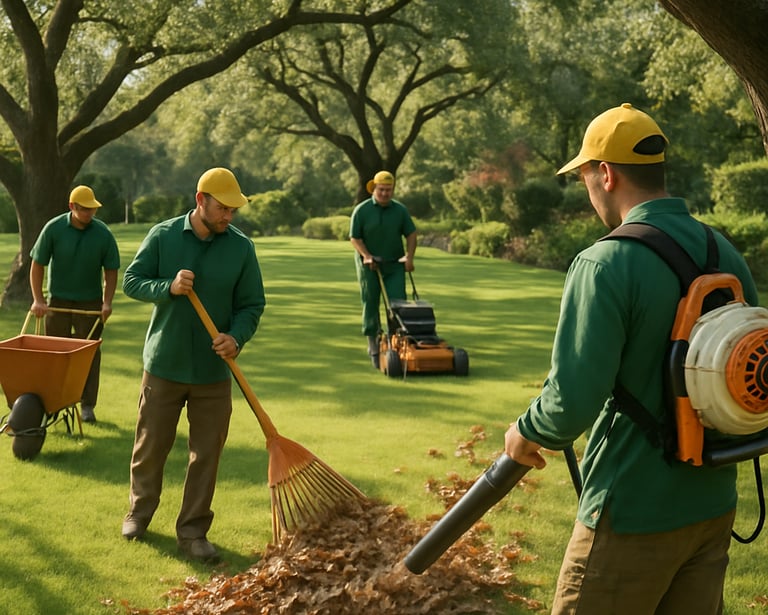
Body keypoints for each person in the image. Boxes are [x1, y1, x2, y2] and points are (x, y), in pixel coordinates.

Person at [504, 103, 758, 614]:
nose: (589, 190)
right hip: (712, 505)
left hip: (631, 510)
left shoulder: (604, 263)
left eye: (585, 178)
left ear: (606, 173)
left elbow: (571, 400)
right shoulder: (725, 254)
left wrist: (524, 433)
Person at [121, 167, 266, 563]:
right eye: (223, 208)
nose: (228, 217)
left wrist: (236, 336)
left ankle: (193, 531)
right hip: (164, 365)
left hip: (213, 374)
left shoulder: (241, 247)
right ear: (200, 200)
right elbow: (132, 281)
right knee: (150, 448)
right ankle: (139, 513)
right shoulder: (164, 236)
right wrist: (166, 287)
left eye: (233, 210)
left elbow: (252, 304)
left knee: (207, 455)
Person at [29, 185, 120, 423]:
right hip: (58, 300)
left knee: (88, 353)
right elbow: (37, 264)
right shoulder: (54, 228)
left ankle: (87, 405)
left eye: (92, 210)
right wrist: (38, 299)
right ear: (72, 207)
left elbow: (111, 270)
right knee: (55, 353)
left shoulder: (102, 234)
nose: (89, 214)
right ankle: (53, 401)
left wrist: (107, 302)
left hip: (90, 302)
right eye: (85, 210)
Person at [349, 171, 417, 366]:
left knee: (397, 303)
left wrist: (409, 257)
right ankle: (373, 342)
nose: (385, 193)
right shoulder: (362, 211)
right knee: (370, 301)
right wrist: (367, 256)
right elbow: (355, 237)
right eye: (382, 190)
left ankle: (396, 340)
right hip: (369, 266)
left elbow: (411, 234)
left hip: (394, 264)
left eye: (389, 190)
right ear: (374, 189)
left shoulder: (400, 210)